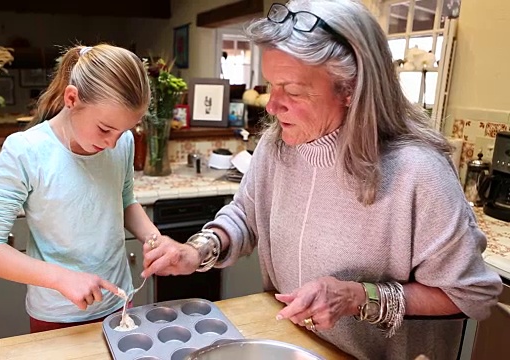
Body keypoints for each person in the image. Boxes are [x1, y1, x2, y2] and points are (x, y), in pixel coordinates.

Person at [140, 1, 503, 359]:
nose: (271, 105)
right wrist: (196, 251)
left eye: (292, 91)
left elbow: (469, 294)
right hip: (292, 346)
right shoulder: (276, 144)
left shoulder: (418, 173)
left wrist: (360, 297)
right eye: (270, 85)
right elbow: (246, 217)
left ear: (350, 89)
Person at [0, 43, 159, 333]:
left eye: (125, 131)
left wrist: (154, 239)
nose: (112, 143)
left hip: (119, 305)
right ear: (71, 98)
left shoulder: (122, 144)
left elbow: (123, 200)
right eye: (105, 129)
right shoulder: (26, 151)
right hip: (57, 316)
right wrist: (62, 278)